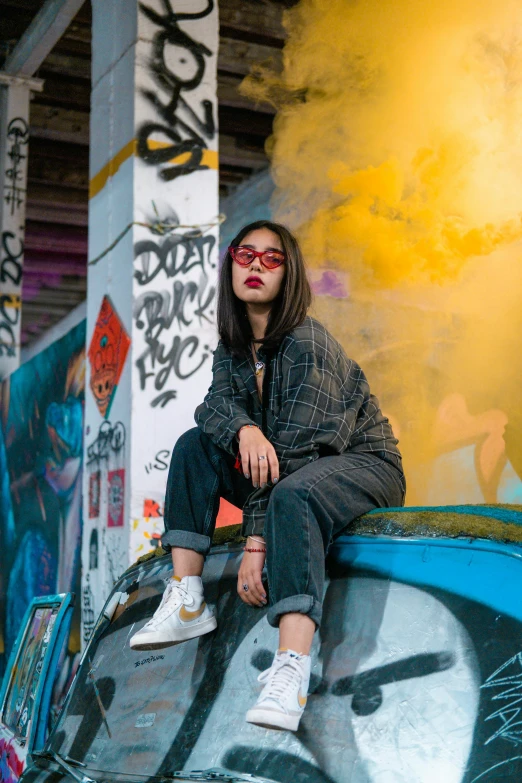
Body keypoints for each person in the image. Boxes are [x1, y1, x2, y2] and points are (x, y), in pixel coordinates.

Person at [129, 220, 406, 731]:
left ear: (289, 274)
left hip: (363, 464)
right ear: (231, 264)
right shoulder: (233, 349)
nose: (256, 265)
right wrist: (245, 431)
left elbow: (301, 455)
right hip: (289, 466)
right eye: (245, 254)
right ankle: (187, 596)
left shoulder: (307, 343)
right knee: (195, 447)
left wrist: (257, 544)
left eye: (272, 258)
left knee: (295, 495)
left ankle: (291, 671)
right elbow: (210, 412)